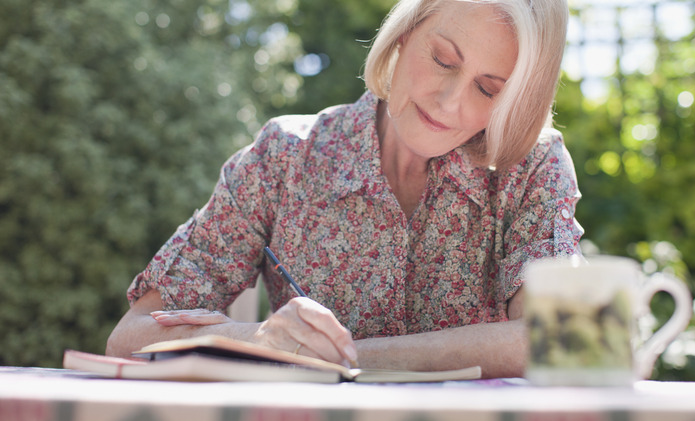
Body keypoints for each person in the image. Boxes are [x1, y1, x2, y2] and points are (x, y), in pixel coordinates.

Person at [106, 0, 581, 378]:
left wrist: (346, 356)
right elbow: (130, 337)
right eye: (442, 59)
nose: (449, 101)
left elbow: (557, 338)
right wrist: (255, 340)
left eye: (488, 89)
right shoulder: (284, 157)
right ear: (404, 34)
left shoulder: (532, 167)